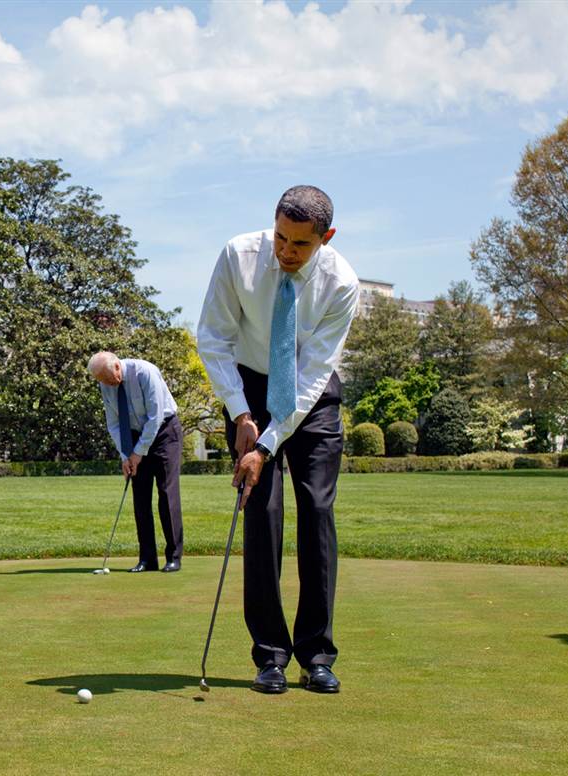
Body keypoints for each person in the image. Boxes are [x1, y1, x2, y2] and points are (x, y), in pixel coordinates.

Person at [197, 185, 359, 695]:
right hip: (247, 384)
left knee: (316, 512)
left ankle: (317, 655)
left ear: (325, 238)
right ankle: (269, 656)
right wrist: (241, 411)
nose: (286, 251)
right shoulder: (238, 255)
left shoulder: (342, 283)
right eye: (281, 238)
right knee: (261, 514)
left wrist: (267, 444)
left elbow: (311, 377)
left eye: (300, 245)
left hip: (311, 397)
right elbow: (213, 339)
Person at [88, 352, 184, 573]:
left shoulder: (145, 372)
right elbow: (113, 423)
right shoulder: (106, 383)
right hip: (133, 436)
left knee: (166, 493)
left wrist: (138, 452)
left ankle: (174, 557)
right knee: (140, 498)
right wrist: (125, 455)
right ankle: (147, 559)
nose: (108, 384)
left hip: (164, 433)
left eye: (109, 378)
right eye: (102, 381)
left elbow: (156, 416)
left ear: (117, 367)